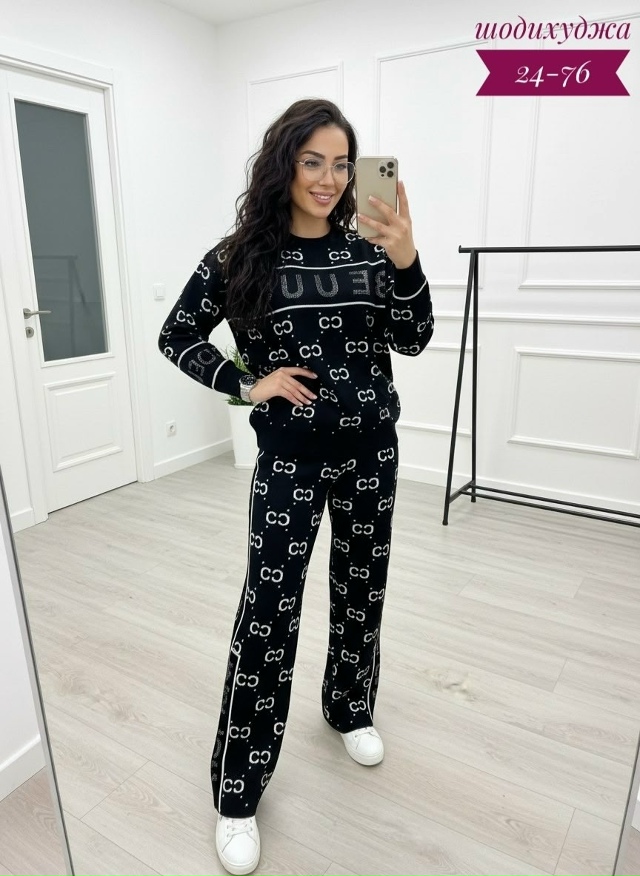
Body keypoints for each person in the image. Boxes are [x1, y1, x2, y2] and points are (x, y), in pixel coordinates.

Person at [158, 98, 433, 875]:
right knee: (269, 613)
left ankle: (349, 707)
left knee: (362, 591)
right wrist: (248, 383)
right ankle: (237, 791)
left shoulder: (372, 247)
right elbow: (176, 334)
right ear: (284, 164)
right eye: (313, 161)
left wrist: (407, 257)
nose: (329, 178)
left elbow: (413, 338)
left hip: (372, 454)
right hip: (289, 460)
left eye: (342, 164)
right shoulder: (238, 257)